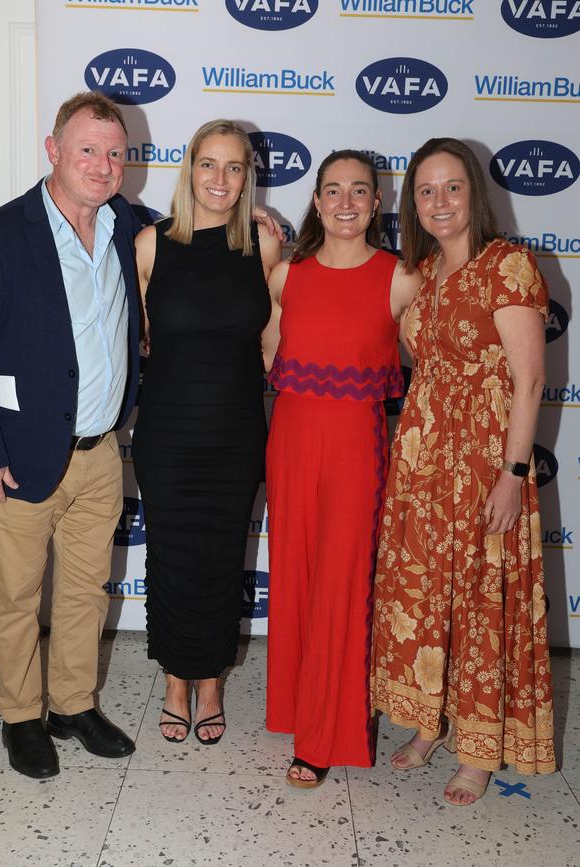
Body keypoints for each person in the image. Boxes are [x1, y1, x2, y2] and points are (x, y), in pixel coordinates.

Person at [0, 92, 143, 778]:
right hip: (17, 457)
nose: (103, 164)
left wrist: (253, 220)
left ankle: (72, 704)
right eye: (87, 148)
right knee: (16, 596)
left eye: (115, 153)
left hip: (100, 455)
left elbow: (193, 241)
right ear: (52, 150)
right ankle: (21, 715)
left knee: (87, 591)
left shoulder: (126, 229)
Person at [371, 138, 555, 805]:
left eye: (451, 187)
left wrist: (512, 472)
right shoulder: (420, 270)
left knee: (479, 596)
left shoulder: (506, 266)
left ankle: (478, 747)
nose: (439, 201)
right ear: (412, 203)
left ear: (474, 193)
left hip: (482, 463)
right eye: (425, 191)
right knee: (426, 594)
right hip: (422, 463)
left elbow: (531, 379)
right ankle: (429, 721)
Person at [262, 150, 420, 787]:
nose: (347, 202)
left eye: (360, 190)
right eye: (334, 190)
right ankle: (297, 709)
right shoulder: (284, 276)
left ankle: (325, 734)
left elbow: (437, 361)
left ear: (376, 201)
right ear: (318, 201)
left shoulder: (401, 277)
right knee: (295, 576)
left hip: (358, 445)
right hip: (292, 438)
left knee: (342, 583)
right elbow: (266, 351)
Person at [132, 119, 281, 745]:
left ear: (248, 177)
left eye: (234, 167)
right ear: (189, 168)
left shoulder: (266, 247)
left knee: (222, 557)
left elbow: (273, 345)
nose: (220, 179)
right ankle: (174, 678)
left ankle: (211, 681)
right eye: (208, 164)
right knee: (169, 552)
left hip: (236, 430)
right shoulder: (149, 244)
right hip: (167, 429)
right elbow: (141, 336)